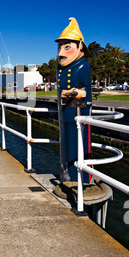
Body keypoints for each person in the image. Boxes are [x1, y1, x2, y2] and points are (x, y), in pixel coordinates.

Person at [55, 17, 92, 183]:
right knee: (65, 147)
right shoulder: (59, 69)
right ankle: (66, 177)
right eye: (59, 47)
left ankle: (83, 179)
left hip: (80, 112)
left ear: (80, 47)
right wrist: (62, 93)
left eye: (67, 47)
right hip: (64, 114)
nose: (61, 53)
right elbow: (58, 89)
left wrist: (79, 93)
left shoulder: (84, 66)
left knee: (80, 146)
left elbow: (88, 92)